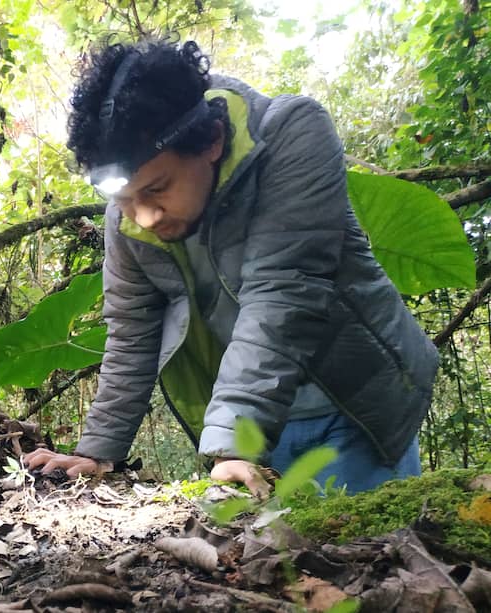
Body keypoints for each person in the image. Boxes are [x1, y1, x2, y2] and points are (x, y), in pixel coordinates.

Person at [24, 39, 438, 495]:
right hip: (259, 427)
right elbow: (131, 330)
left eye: (157, 189)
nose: (143, 216)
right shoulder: (125, 220)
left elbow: (283, 291)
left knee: (369, 554)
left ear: (213, 142)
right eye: (123, 199)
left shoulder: (290, 133)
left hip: (357, 411)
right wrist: (97, 450)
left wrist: (231, 445)